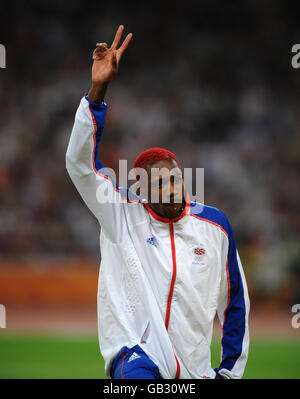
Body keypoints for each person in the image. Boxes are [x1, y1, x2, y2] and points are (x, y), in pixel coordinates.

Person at [66, 25, 250, 379]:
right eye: (160, 182)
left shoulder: (215, 227)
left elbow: (235, 305)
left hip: (196, 371)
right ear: (142, 190)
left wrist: (229, 373)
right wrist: (97, 91)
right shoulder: (121, 213)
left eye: (175, 178)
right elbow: (80, 165)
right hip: (136, 357)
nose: (171, 186)